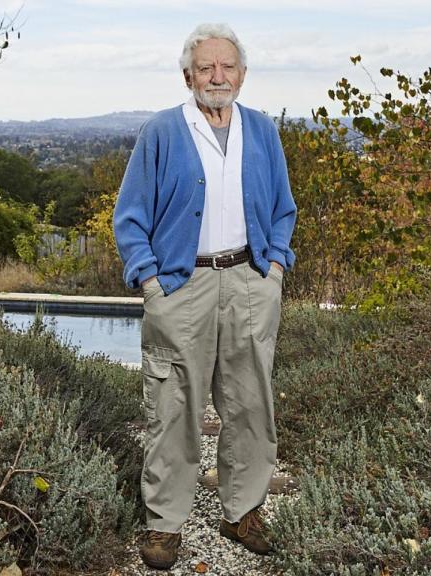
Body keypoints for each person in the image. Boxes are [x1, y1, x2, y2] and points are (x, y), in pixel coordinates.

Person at [112, 22, 298, 570]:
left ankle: (242, 512)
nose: (218, 76)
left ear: (242, 74)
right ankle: (164, 523)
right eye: (206, 67)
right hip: (181, 285)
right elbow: (130, 216)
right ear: (188, 74)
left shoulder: (261, 130)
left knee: (250, 401)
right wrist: (150, 280)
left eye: (228, 67)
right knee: (173, 404)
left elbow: (283, 208)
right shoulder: (163, 131)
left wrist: (276, 268)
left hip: (249, 279)